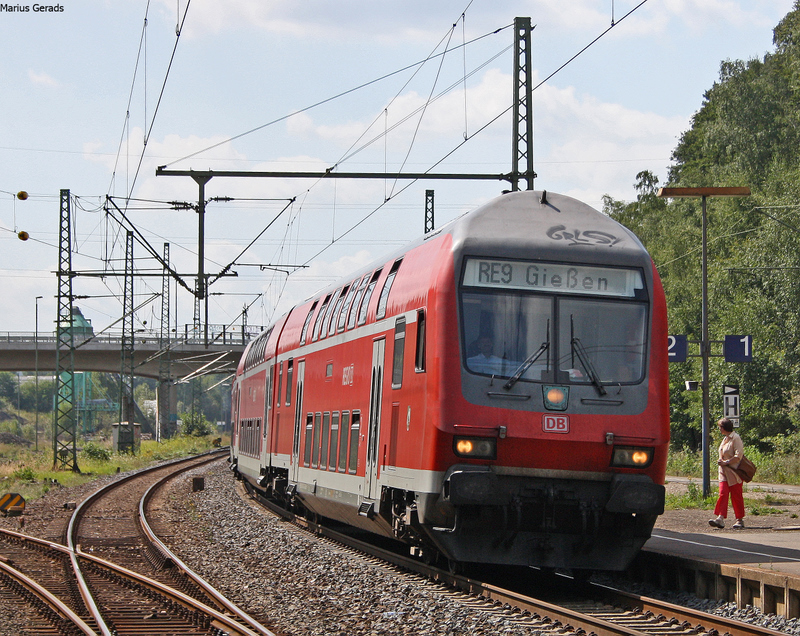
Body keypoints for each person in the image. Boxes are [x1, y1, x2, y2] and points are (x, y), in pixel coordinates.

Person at [709, 417, 746, 529]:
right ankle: (720, 518)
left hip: (734, 473)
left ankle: (739, 519)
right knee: (723, 493)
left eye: (720, 427)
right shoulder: (725, 439)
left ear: (724, 427)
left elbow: (738, 456)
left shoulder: (736, 438)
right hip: (723, 472)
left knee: (736, 495)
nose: (719, 429)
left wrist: (726, 462)